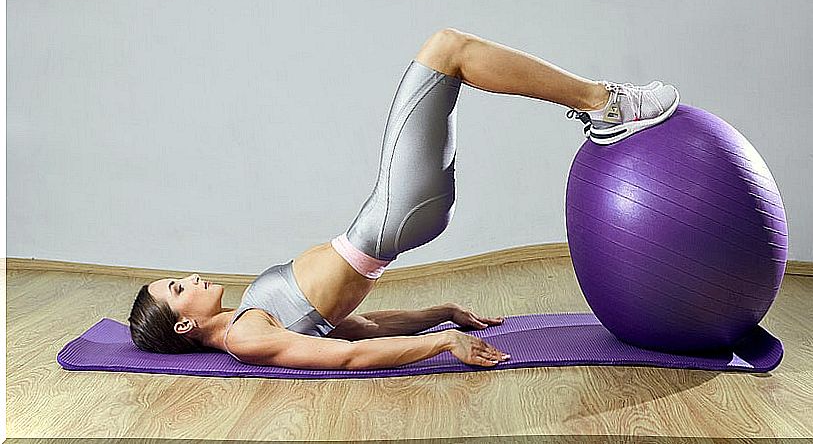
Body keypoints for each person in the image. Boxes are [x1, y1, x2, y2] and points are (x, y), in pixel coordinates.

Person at [128, 28, 680, 370]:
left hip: (398, 213)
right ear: (183, 326)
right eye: (178, 289)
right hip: (394, 214)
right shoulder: (247, 338)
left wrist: (438, 316)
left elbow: (358, 328)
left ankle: (602, 106)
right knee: (448, 48)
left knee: (448, 57)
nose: (191, 278)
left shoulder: (251, 318)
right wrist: (441, 346)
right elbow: (348, 356)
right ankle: (607, 102)